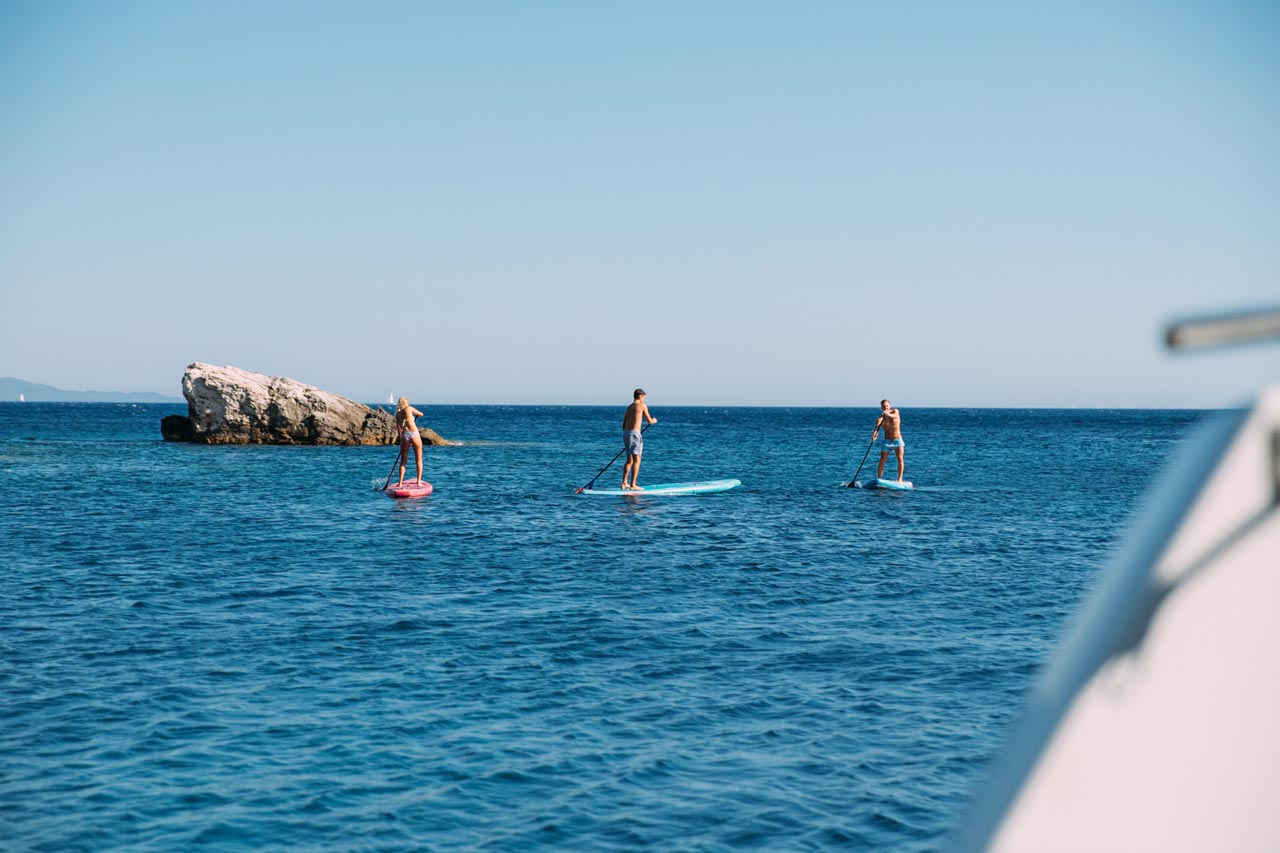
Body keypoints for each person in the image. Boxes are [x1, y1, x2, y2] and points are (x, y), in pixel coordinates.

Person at [621, 388, 657, 490]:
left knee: (629, 460)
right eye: (643, 397)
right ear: (640, 396)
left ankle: (624, 483)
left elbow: (623, 425)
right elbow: (649, 421)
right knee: (637, 460)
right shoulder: (642, 406)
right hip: (635, 434)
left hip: (626, 433)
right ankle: (633, 485)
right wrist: (654, 420)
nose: (643, 400)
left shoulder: (629, 407)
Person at [871, 398, 905, 482]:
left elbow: (895, 416)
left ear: (889, 406)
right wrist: (874, 436)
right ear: (881, 408)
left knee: (900, 458)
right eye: (883, 406)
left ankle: (899, 479)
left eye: (887, 406)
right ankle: (878, 478)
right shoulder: (879, 419)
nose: (885, 408)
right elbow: (876, 429)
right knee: (882, 459)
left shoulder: (895, 412)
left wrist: (887, 414)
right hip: (887, 441)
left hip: (897, 440)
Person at [394, 396, 425, 487]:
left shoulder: (397, 414)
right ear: (405, 403)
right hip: (414, 434)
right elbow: (421, 414)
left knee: (403, 461)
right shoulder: (409, 408)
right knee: (418, 459)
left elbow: (398, 430)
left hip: (405, 435)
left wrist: (401, 437)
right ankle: (418, 482)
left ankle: (400, 483)